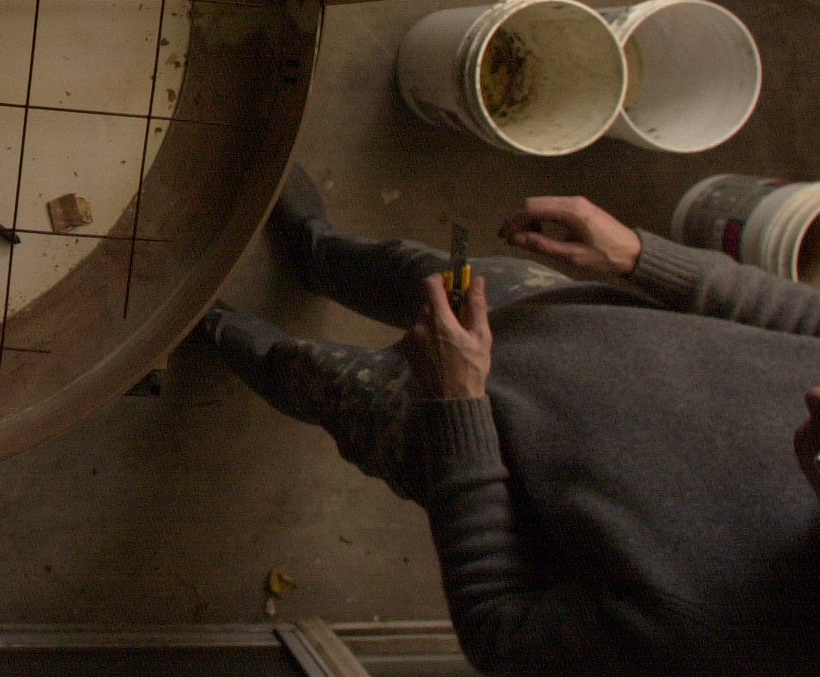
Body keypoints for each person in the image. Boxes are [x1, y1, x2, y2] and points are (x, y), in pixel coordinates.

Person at [197, 170, 820, 674]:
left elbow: (498, 630)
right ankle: (315, 250)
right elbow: (803, 320)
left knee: (308, 372)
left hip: (460, 432)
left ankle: (207, 322)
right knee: (411, 270)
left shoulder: (727, 641)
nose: (812, 394)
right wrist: (639, 258)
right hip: (566, 317)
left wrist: (458, 406)